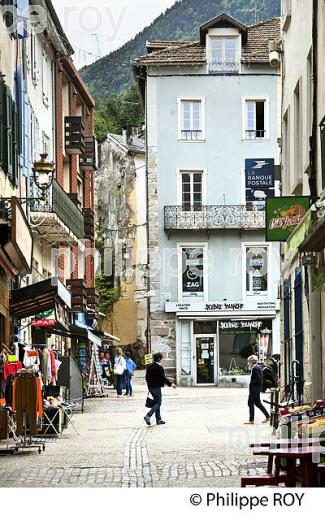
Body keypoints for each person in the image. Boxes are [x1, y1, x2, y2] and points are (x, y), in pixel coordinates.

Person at [144, 352, 176, 426]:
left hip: (151, 387)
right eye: (161, 358)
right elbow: (163, 378)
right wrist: (171, 384)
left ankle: (158, 419)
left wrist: (149, 385)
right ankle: (148, 415)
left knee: (156, 402)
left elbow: (146, 377)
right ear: (159, 359)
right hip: (156, 387)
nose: (162, 360)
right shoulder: (159, 368)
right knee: (158, 403)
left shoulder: (149, 367)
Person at [245, 355, 270, 425]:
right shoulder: (257, 367)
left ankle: (251, 420)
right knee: (258, 403)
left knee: (250, 403)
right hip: (256, 388)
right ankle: (268, 416)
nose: (249, 363)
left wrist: (252, 384)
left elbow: (259, 379)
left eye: (249, 361)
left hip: (254, 388)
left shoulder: (255, 368)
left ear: (252, 361)